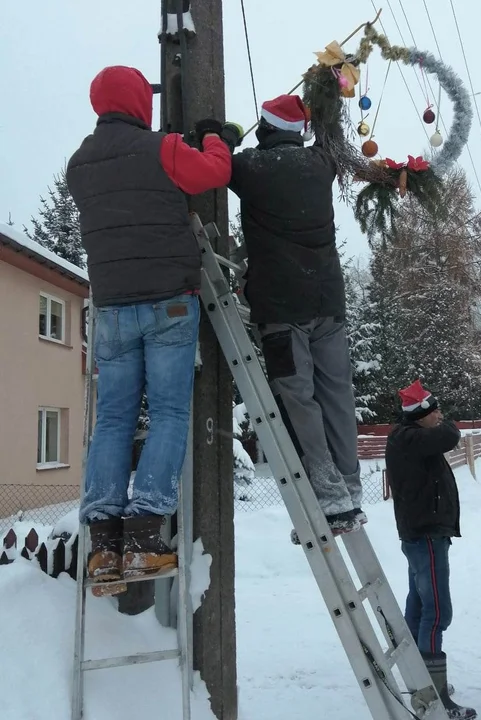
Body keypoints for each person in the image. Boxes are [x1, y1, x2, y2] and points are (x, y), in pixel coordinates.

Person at [66, 65, 239, 595]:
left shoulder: (79, 164)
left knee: (114, 420)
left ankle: (103, 546)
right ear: (141, 102)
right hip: (169, 305)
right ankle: (144, 536)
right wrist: (214, 136)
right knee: (167, 413)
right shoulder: (161, 149)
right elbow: (213, 173)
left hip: (113, 308)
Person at [227, 93, 363, 539]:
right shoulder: (321, 164)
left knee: (298, 396)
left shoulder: (250, 168)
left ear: (265, 127)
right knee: (336, 394)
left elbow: (213, 162)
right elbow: (330, 140)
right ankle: (349, 488)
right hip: (329, 304)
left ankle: (327, 493)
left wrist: (219, 136)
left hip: (282, 310)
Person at [385, 379, 477, 720]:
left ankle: (422, 681)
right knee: (437, 611)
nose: (440, 415)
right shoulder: (408, 437)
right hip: (425, 536)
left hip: (424, 535)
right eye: (433, 410)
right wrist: (447, 422)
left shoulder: (410, 437)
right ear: (418, 416)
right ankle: (434, 700)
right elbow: (449, 436)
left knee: (420, 605)